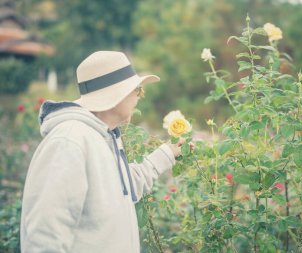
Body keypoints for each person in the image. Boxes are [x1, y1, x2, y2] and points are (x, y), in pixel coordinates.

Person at [20, 51, 184, 252]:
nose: (140, 97)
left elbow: (120, 187)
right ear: (117, 94)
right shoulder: (69, 141)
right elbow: (45, 236)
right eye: (137, 90)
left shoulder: (102, 137)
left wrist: (166, 153)